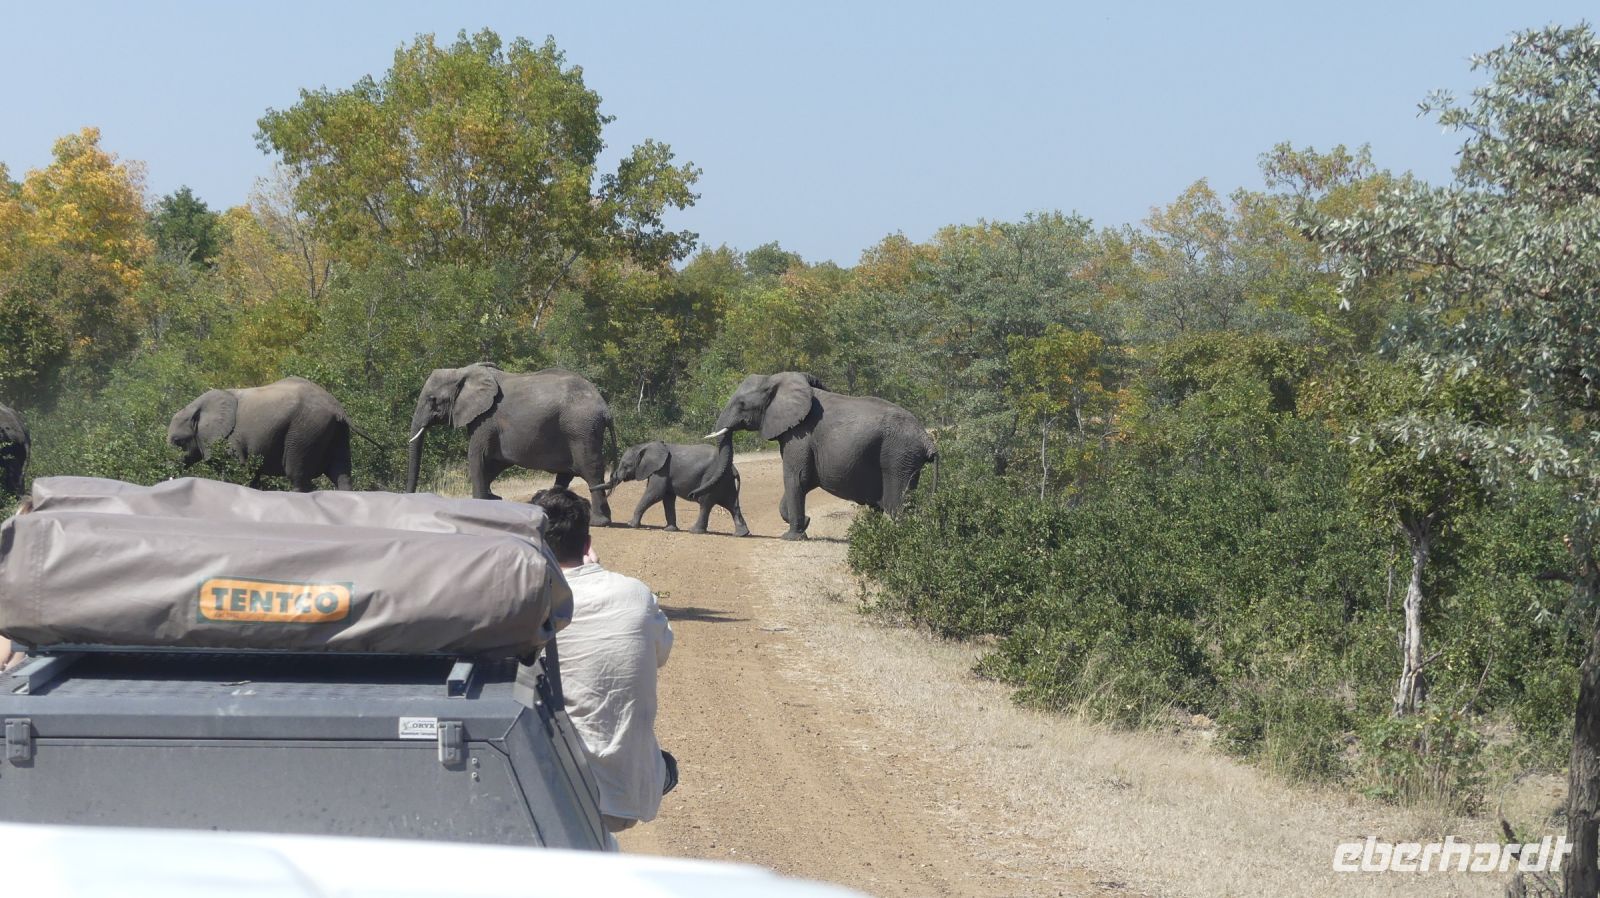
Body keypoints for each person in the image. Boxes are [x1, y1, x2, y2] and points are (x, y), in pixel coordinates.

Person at [532, 486, 676, 836]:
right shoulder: (637, 594)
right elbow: (661, 654)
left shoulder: (529, 600)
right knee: (668, 766)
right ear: (587, 544)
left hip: (554, 788)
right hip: (627, 795)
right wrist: (598, 573)